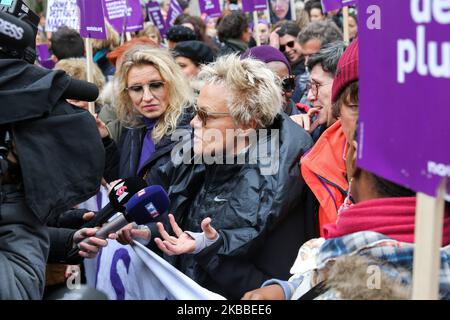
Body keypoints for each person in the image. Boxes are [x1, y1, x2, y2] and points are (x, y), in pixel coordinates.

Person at [111, 54, 317, 299]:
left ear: (247, 124)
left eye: (205, 116)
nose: (194, 123)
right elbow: (181, 230)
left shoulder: (283, 185)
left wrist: (207, 248)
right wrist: (147, 234)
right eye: (196, 113)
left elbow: (271, 287)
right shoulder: (197, 160)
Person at [103, 45, 194, 189]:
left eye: (156, 85)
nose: (147, 97)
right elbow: (126, 183)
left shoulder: (193, 133)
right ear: (126, 93)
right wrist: (105, 142)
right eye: (137, 89)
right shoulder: (135, 128)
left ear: (173, 84)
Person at [241, 45, 299, 115]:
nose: (281, 92)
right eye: (272, 84)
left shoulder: (306, 122)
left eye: (287, 83)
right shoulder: (231, 123)